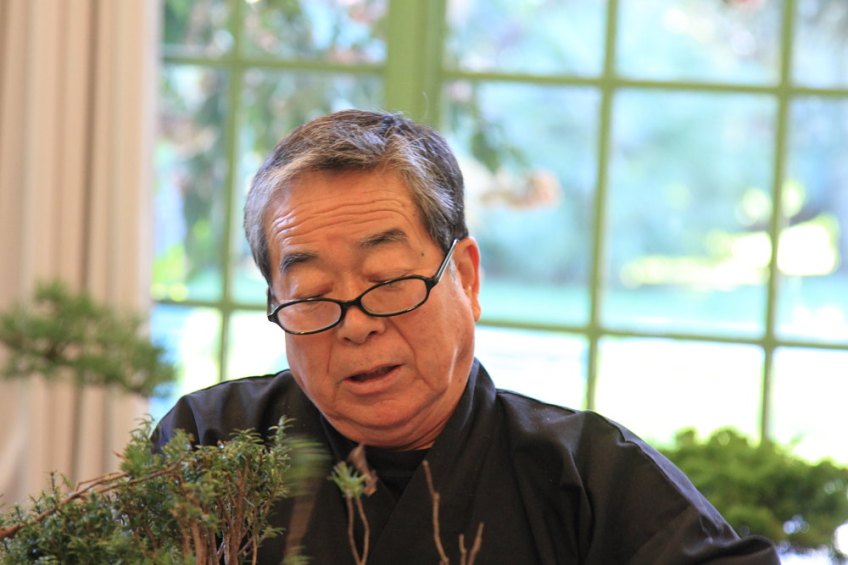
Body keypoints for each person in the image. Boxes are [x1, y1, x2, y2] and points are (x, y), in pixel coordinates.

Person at [152, 109, 780, 564]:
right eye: (313, 295)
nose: (357, 325)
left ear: (468, 278)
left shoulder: (586, 478)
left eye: (389, 281)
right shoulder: (210, 447)